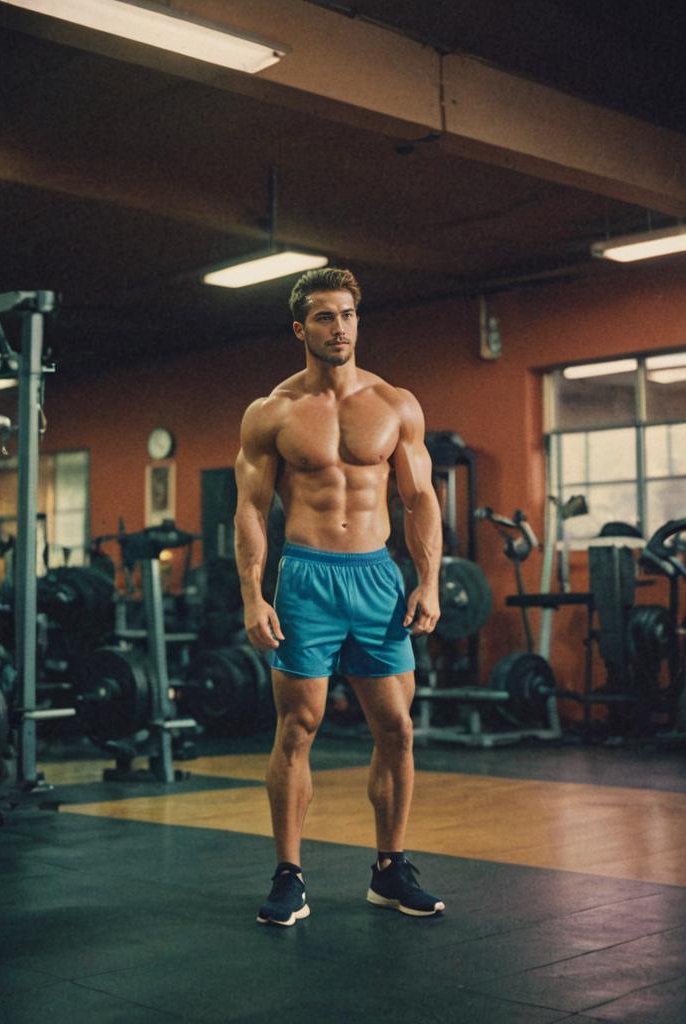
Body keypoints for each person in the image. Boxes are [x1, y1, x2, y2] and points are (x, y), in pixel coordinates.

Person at [234, 267, 445, 926]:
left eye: (348, 314)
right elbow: (249, 507)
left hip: (377, 579)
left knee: (398, 730)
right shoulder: (273, 411)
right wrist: (252, 593)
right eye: (325, 317)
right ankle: (289, 876)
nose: (340, 327)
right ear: (300, 328)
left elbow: (419, 499)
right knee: (298, 728)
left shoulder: (396, 404)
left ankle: (390, 869)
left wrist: (430, 580)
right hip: (306, 580)